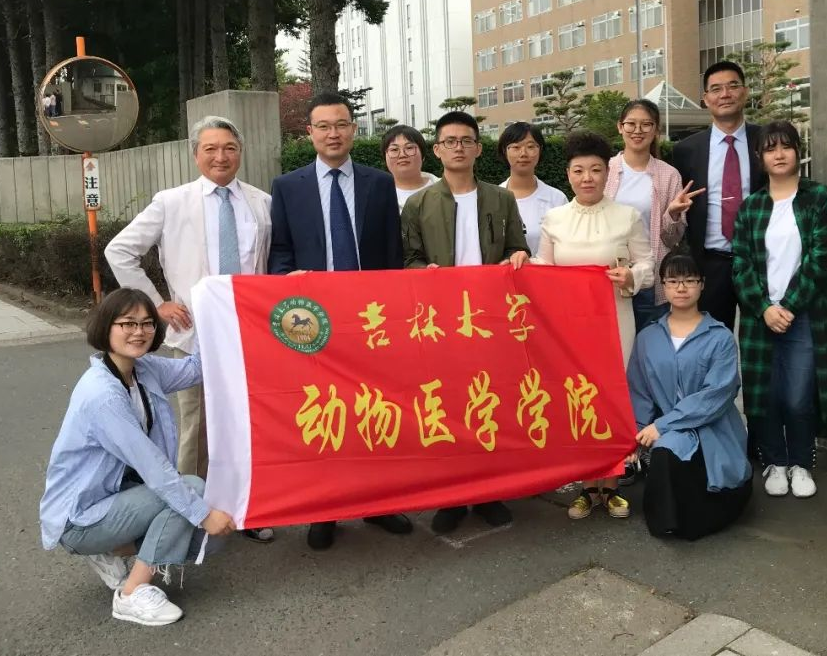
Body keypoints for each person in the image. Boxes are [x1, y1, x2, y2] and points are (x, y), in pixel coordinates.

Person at [105, 115, 274, 543]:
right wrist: (155, 304)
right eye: (210, 149)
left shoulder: (261, 202)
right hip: (196, 334)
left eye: (229, 148)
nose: (221, 156)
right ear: (196, 154)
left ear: (240, 152)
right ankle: (188, 515)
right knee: (196, 427)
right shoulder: (172, 201)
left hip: (250, 336)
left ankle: (246, 507)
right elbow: (119, 250)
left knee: (249, 423)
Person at [269, 92, 413, 550]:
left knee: (374, 411)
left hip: (369, 321)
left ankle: (378, 503)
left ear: (353, 129)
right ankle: (325, 509)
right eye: (324, 126)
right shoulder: (287, 187)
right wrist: (287, 286)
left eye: (341, 124)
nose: (333, 134)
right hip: (314, 324)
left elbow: (391, 254)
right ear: (309, 132)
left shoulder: (379, 183)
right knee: (323, 415)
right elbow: (280, 253)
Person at [40, 288, 235, 626]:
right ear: (106, 327)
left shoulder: (142, 369)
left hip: (118, 495)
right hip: (82, 516)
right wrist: (204, 515)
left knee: (206, 538)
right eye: (128, 323)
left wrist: (212, 314)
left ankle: (112, 548)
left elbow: (196, 369)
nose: (139, 332)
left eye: (147, 323)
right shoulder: (102, 394)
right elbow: (156, 472)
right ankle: (131, 594)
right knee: (192, 494)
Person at [401, 110, 530, 534]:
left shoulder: (501, 199)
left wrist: (519, 256)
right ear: (437, 150)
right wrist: (424, 274)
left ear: (478, 148)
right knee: (448, 405)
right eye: (450, 141)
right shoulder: (419, 203)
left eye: (466, 140)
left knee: (491, 401)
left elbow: (517, 248)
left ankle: (490, 491)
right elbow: (409, 259)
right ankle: (453, 495)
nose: (458, 147)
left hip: (490, 320)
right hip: (442, 322)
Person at [534, 130, 653, 521]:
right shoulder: (555, 219)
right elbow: (542, 269)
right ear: (568, 174)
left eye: (596, 170)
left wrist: (632, 276)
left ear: (607, 174)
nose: (587, 178)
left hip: (615, 321)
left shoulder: (627, 216)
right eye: (579, 170)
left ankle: (613, 483)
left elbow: (647, 265)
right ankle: (587, 486)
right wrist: (518, 264)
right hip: (569, 329)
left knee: (613, 399)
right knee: (577, 398)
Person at [731, 120, 827, 499]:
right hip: (759, 316)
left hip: (804, 314)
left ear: (798, 150)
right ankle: (774, 462)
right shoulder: (752, 207)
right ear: (760, 157)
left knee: (798, 396)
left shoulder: (818, 198)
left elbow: (821, 257)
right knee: (764, 395)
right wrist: (764, 307)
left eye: (786, 146)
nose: (779, 155)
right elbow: (741, 264)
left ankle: (801, 463)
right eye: (770, 148)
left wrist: (789, 306)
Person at [628, 253, 753, 539]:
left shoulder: (719, 337)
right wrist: (636, 434)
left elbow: (717, 394)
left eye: (689, 280)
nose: (681, 288)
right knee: (666, 452)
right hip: (669, 432)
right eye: (673, 281)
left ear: (702, 284)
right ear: (663, 286)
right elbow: (639, 391)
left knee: (714, 477)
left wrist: (663, 425)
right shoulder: (648, 337)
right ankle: (669, 520)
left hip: (714, 427)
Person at [669, 61, 765, 332]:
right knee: (710, 339)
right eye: (716, 89)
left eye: (733, 86)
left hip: (759, 261)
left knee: (761, 340)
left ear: (745, 92)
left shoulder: (766, 141)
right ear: (705, 98)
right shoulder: (686, 150)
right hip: (710, 263)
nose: (725, 94)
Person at [605, 99, 699, 332]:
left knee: (649, 344)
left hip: (650, 277)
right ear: (620, 127)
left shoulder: (669, 175)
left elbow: (671, 238)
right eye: (631, 124)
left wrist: (673, 215)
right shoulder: (605, 169)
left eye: (646, 124)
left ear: (656, 130)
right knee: (613, 346)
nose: (638, 130)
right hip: (609, 275)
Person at [497, 121, 567, 255]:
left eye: (530, 146)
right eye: (516, 147)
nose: (523, 153)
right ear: (504, 151)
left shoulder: (557, 199)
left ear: (540, 150)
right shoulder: (492, 199)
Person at [383, 124, 439, 212]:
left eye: (409, 148)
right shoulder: (376, 194)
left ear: (423, 155)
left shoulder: (447, 189)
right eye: (394, 149)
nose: (402, 155)